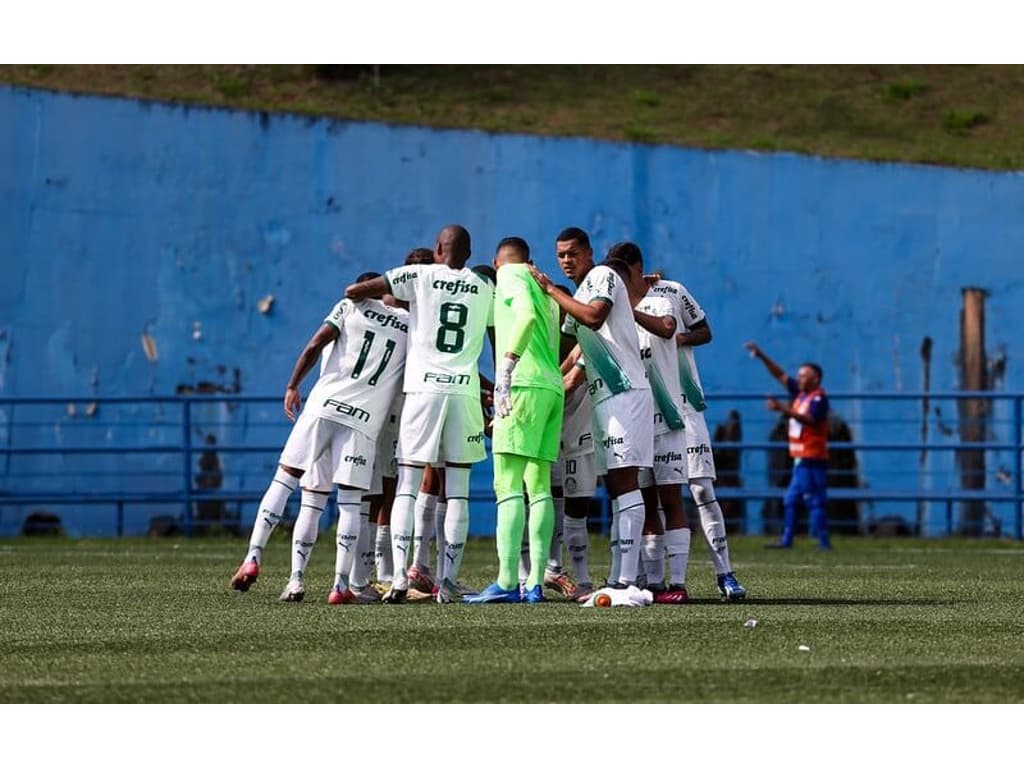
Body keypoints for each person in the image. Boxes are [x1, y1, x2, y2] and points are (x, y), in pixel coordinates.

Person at [229, 271, 408, 604]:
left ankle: (257, 558)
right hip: (363, 422)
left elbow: (315, 345)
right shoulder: (409, 326)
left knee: (287, 482)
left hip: (323, 409)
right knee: (351, 504)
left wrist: (293, 385)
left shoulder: (349, 306)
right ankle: (340, 585)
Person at [346, 224, 495, 603]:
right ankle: (448, 582)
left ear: (438, 248)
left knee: (408, 485)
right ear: (469, 252)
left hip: (424, 390)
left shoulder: (420, 274)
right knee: (458, 491)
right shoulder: (483, 287)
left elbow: (356, 291)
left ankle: (399, 578)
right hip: (464, 392)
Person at [529, 229, 654, 590]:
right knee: (618, 486)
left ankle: (627, 582)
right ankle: (620, 578)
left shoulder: (602, 276)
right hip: (605, 397)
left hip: (625, 391)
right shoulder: (582, 294)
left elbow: (595, 317)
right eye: (560, 256)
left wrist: (551, 289)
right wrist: (545, 385)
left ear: (588, 253)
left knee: (626, 485)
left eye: (572, 254)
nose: (567, 261)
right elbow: (574, 355)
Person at [629, 259, 747, 601]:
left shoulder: (672, 290)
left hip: (685, 406)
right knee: (646, 497)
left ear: (635, 268)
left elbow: (705, 331)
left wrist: (677, 338)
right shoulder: (617, 302)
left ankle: (725, 574)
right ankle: (651, 579)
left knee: (701, 491)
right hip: (644, 411)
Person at [466, 237, 564, 604]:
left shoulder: (508, 277)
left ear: (496, 263)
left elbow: (523, 317)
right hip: (551, 388)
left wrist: (506, 366)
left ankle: (508, 581)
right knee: (538, 488)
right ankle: (535, 583)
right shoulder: (543, 285)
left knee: (507, 485)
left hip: (522, 384)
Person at [745, 341, 831, 550]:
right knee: (791, 499)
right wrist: (761, 355)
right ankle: (787, 540)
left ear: (815, 379)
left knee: (813, 499)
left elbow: (810, 420)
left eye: (804, 376)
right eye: (800, 375)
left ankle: (823, 542)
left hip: (812, 456)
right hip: (800, 456)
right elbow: (780, 375)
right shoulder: (801, 394)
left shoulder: (819, 398)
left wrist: (782, 409)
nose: (799, 378)